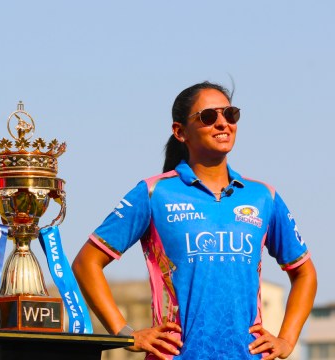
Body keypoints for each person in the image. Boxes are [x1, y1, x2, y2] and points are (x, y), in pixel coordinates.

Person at [72, 81, 317, 360]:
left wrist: (286, 339)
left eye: (230, 114)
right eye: (209, 117)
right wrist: (124, 332)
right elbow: (86, 263)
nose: (223, 123)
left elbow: (304, 273)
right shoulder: (153, 193)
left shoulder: (263, 196)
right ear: (180, 132)